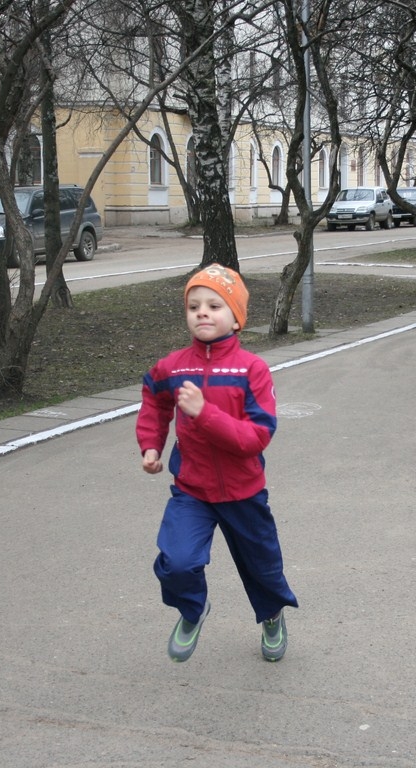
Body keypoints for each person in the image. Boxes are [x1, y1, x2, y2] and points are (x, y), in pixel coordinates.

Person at [136, 264, 298, 663]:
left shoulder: (251, 370)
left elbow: (256, 437)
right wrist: (151, 445)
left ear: (236, 317)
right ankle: (193, 609)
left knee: (263, 568)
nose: (202, 313)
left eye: (214, 305)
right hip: (193, 490)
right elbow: (154, 399)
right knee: (176, 562)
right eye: (194, 306)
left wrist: (204, 413)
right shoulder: (174, 367)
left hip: (244, 492)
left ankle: (271, 615)